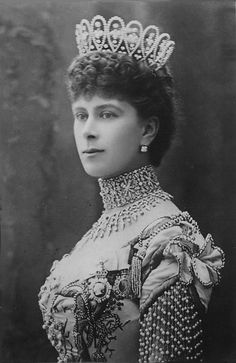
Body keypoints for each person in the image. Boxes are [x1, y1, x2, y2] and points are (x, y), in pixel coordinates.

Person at [38, 15, 224, 363]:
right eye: (81, 114)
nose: (88, 131)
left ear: (147, 130)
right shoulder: (100, 231)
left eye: (106, 114)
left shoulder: (170, 241)